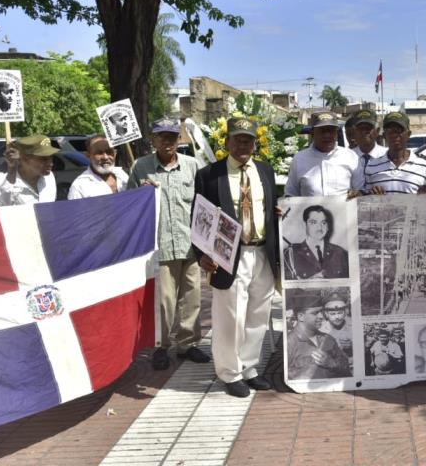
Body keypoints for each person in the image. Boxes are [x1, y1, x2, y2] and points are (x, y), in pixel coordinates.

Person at [195, 117, 279, 398]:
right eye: (238, 139)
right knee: (230, 316)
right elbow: (200, 217)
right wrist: (202, 255)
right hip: (229, 256)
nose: (243, 144)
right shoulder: (210, 174)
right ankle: (230, 373)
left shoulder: (265, 171)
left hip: (262, 252)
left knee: (258, 313)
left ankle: (250, 367)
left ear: (256, 143)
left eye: (248, 139)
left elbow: (271, 210)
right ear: (227, 141)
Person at [129, 118, 207, 370]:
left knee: (192, 297)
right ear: (153, 139)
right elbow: (129, 204)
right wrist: (140, 193)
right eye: (161, 136)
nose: (167, 142)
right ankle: (161, 346)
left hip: (190, 245)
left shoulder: (193, 166)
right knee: (164, 302)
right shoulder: (141, 167)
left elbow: (203, 205)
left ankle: (187, 344)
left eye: (172, 137)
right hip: (160, 245)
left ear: (179, 139)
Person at [284, 112, 363, 197]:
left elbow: (360, 191)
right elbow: (290, 195)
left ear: (336, 133)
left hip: (344, 210)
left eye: (331, 130)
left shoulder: (350, 157)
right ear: (312, 133)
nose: (327, 135)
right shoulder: (299, 159)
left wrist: (357, 194)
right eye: (322, 130)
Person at [287, 292, 351, 379]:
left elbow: (345, 366)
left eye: (321, 312)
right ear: (301, 316)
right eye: (315, 313)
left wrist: (331, 363)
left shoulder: (328, 339)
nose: (321, 316)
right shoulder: (288, 342)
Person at [364, 112, 426, 194]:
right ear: (384, 135)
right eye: (390, 131)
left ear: (408, 134)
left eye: (399, 130)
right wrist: (372, 195)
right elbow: (367, 200)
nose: (394, 135)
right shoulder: (371, 166)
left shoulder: (424, 166)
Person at [282, 205, 349, 280]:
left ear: (328, 227)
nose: (319, 227)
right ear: (305, 225)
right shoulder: (290, 254)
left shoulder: (340, 253)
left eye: (323, 223)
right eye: (313, 222)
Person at [0, 135, 57, 206]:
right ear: (25, 159)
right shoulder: (0, 182)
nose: (51, 163)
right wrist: (12, 169)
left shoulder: (49, 177)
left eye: (51, 157)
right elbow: (2, 202)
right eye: (43, 159)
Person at [67, 135, 129, 199]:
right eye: (99, 153)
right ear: (88, 155)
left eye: (109, 152)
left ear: (115, 153)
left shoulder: (122, 175)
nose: (105, 157)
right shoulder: (79, 186)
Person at [319, 292, 353, 364]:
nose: (337, 317)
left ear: (345, 312)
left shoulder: (353, 326)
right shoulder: (320, 330)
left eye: (340, 313)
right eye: (333, 314)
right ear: (326, 314)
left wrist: (353, 346)